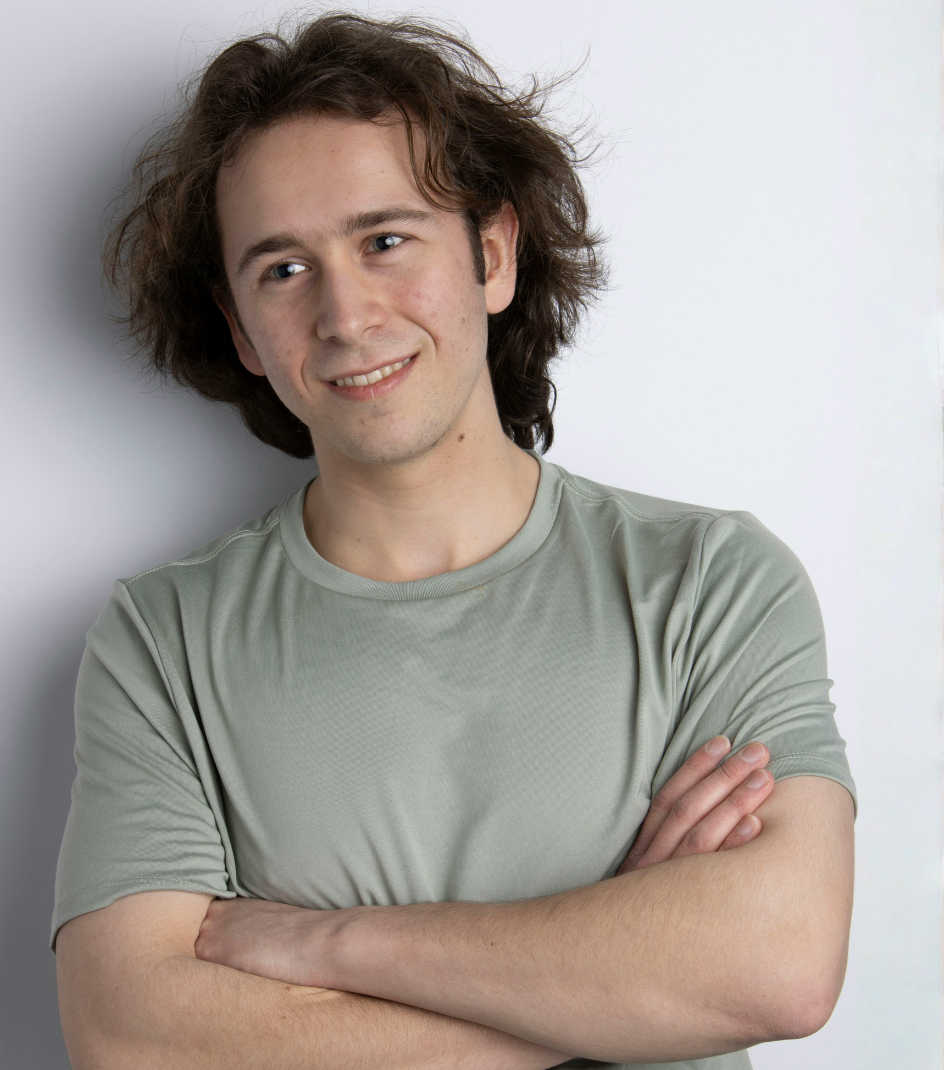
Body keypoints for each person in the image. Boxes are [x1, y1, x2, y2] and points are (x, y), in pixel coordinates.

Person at [52, 13, 856, 1070]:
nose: (345, 314)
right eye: (283, 269)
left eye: (385, 241)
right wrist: (610, 977)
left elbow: (780, 965)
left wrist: (328, 944)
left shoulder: (711, 582)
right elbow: (131, 1038)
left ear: (492, 253)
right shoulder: (163, 640)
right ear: (240, 327)